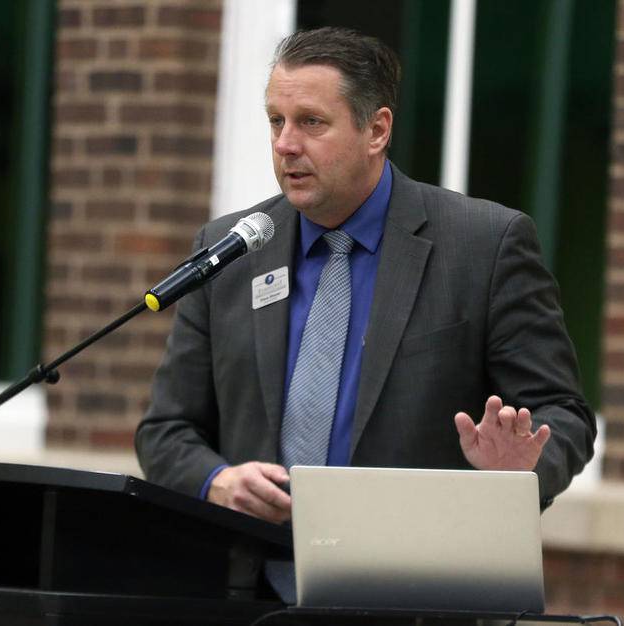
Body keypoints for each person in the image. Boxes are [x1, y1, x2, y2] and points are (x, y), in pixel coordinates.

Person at [135, 27, 595, 525]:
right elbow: (165, 430)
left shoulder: (484, 246)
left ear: (376, 131)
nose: (286, 144)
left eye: (311, 122)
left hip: (410, 582)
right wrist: (215, 481)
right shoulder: (230, 252)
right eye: (276, 121)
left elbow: (563, 413)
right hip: (247, 587)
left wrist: (521, 473)